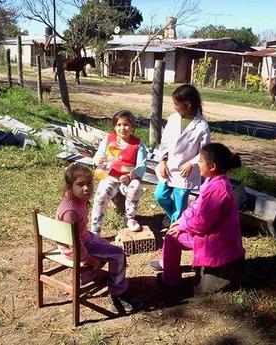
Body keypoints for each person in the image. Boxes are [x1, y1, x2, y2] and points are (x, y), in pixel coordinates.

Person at [149, 143, 245, 291]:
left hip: (216, 241)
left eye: (200, 161)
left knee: (171, 238)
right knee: (174, 231)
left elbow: (202, 223)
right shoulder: (213, 182)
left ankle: (170, 280)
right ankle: (170, 273)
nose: (198, 164)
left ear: (212, 166)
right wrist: (181, 221)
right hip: (213, 234)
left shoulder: (218, 190)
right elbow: (195, 206)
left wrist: (182, 226)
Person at [56, 163, 139, 313]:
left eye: (89, 183)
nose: (87, 188)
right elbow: (76, 247)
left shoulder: (75, 199)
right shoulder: (70, 212)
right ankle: (116, 294)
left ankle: (88, 275)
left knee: (107, 245)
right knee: (118, 255)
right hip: (76, 249)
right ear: (69, 187)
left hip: (81, 240)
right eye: (80, 184)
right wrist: (90, 260)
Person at [154, 84, 210, 224]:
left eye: (176, 104)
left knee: (180, 205)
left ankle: (176, 228)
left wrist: (191, 163)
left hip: (186, 172)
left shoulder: (202, 126)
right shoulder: (173, 119)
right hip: (168, 167)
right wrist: (163, 160)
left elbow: (204, 151)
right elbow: (165, 142)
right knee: (160, 195)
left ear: (188, 104)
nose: (174, 107)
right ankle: (176, 218)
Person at [90, 110, 147, 234]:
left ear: (132, 126)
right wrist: (97, 159)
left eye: (126, 124)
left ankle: (130, 218)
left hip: (128, 180)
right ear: (114, 127)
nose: (122, 128)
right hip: (110, 177)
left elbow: (142, 165)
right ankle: (95, 227)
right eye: (119, 125)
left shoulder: (138, 144)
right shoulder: (108, 140)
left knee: (135, 187)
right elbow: (98, 154)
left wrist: (130, 176)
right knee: (100, 197)